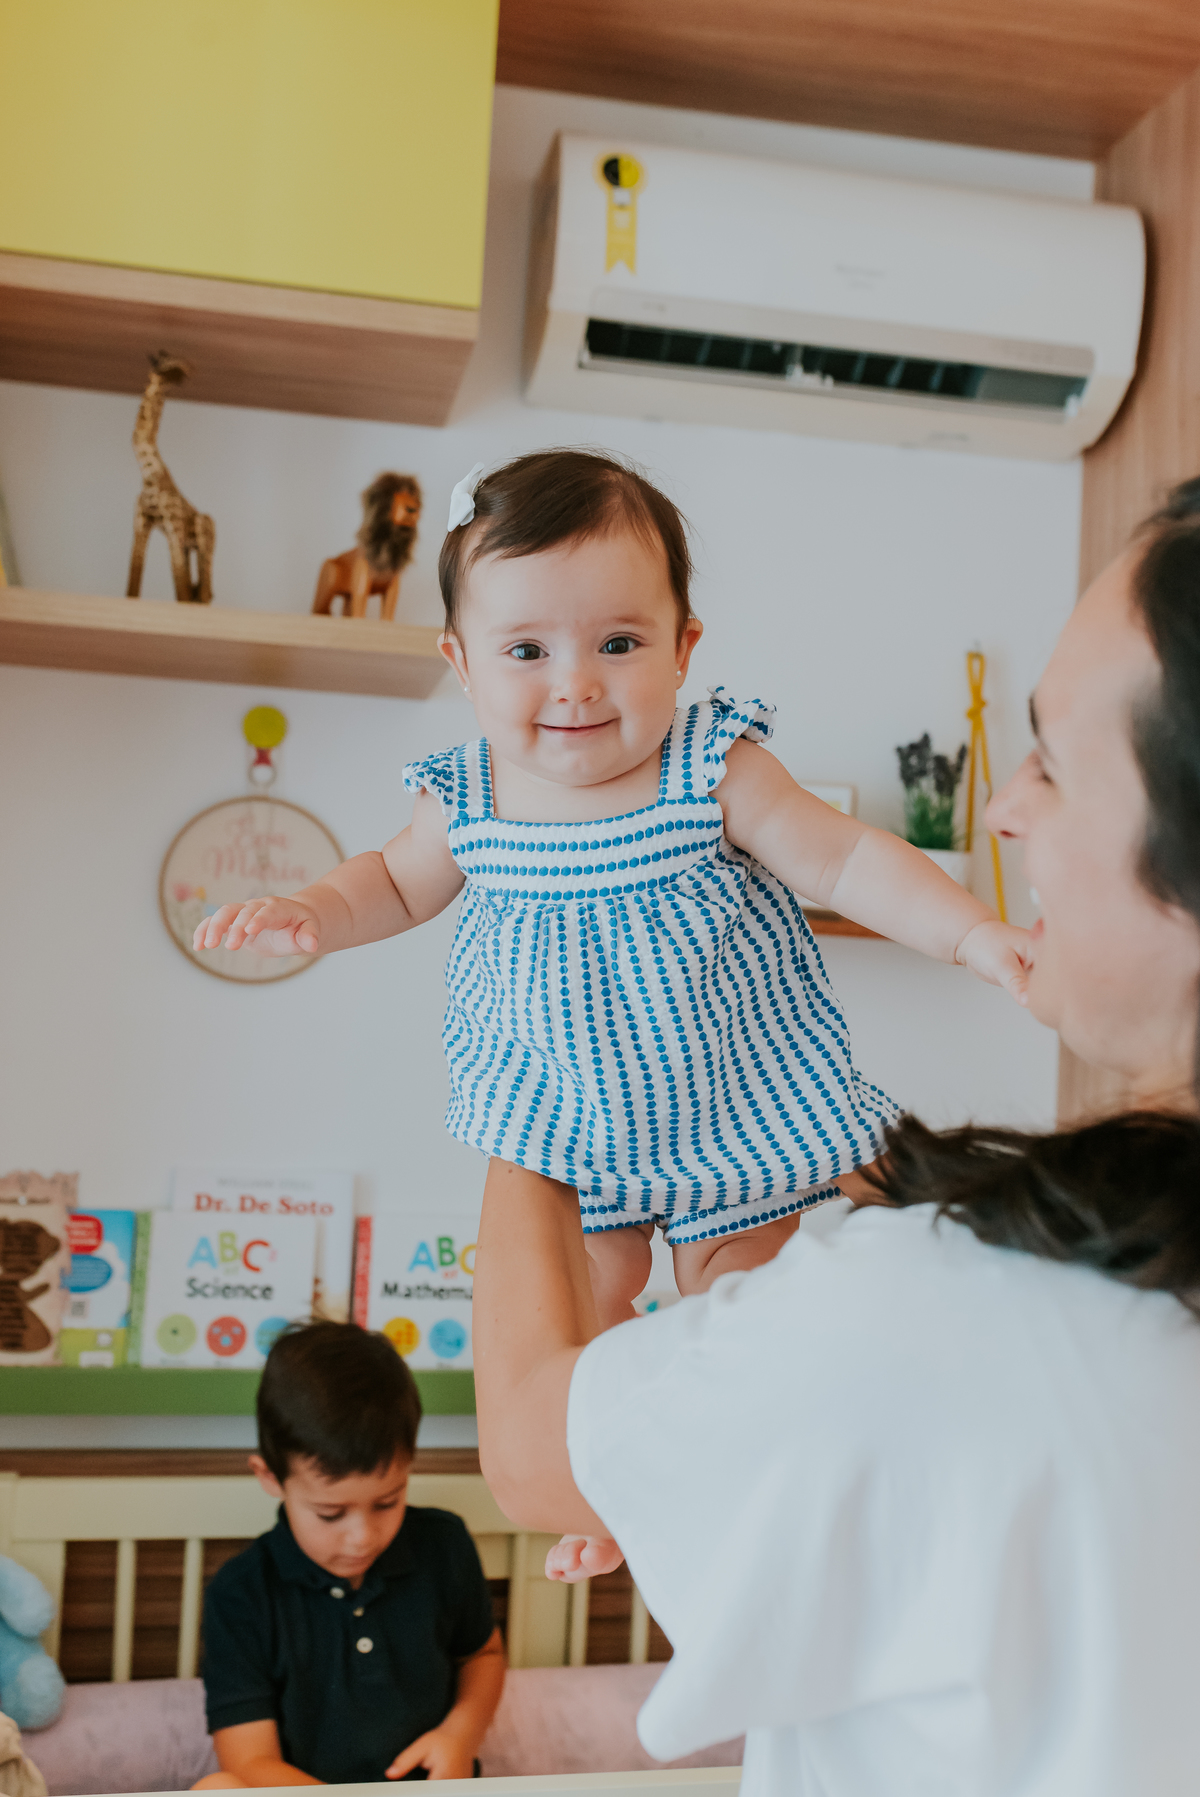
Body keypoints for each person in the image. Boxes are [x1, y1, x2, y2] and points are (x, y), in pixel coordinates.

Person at [471, 478, 1200, 1796]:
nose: (1004, 809)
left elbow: (531, 1449)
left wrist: (526, 1040)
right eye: (524, 647)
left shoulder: (947, 1303)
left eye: (1054, 762)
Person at [194, 1322, 504, 1787]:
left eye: (387, 1503)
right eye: (330, 1513)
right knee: (216, 1789)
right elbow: (249, 1762)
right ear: (270, 1477)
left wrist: (459, 1737)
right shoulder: (241, 1593)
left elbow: (484, 1654)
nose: (362, 1538)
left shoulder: (443, 1545)